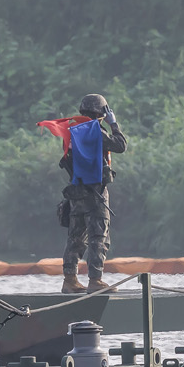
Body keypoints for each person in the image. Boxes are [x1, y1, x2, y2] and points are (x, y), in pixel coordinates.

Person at [59, 93, 128, 294]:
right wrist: (113, 124)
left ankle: (70, 279)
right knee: (99, 237)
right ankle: (95, 280)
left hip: (76, 192)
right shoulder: (95, 131)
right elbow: (120, 145)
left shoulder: (72, 131)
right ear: (101, 112)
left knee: (75, 238)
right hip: (96, 193)